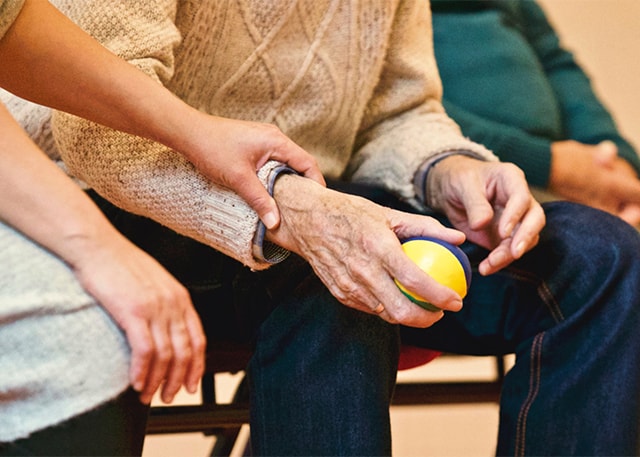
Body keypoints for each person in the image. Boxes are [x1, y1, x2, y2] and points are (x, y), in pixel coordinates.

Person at [4, 1, 640, 456]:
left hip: (324, 202)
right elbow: (98, 135)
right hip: (132, 201)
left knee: (600, 257)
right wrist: (298, 212)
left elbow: (399, 110)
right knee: (342, 275)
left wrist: (449, 169)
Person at [0, 0, 322, 455]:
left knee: (328, 278)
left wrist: (197, 130)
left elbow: (10, 24)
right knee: (86, 349)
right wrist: (100, 250)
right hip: (74, 187)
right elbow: (88, 136)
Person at [430, 0, 640, 227]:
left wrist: (615, 158)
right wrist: (549, 164)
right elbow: (405, 109)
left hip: (570, 176)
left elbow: (555, 61)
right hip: (463, 184)